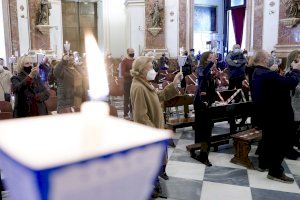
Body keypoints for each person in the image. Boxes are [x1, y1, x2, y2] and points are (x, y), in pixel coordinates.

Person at [130, 56, 183, 198]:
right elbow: (141, 117)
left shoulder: (145, 83)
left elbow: (159, 96)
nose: (153, 70)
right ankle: (150, 188)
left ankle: (154, 184)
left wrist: (174, 84)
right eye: (150, 67)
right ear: (142, 70)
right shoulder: (138, 87)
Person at [251, 50, 300, 183]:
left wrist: (280, 74)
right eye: (268, 57)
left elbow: (277, 85)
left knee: (270, 140)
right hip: (278, 115)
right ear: (263, 59)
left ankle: (265, 164)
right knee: (282, 142)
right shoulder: (267, 74)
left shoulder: (258, 72)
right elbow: (290, 83)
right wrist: (296, 71)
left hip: (267, 114)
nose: (271, 59)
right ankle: (275, 171)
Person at [193, 51, 218, 166]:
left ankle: (204, 153)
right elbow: (203, 74)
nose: (213, 60)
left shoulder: (210, 69)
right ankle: (202, 154)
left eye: (213, 58)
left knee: (207, 129)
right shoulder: (200, 68)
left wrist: (215, 78)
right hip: (201, 103)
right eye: (210, 58)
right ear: (205, 60)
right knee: (203, 128)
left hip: (209, 102)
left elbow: (211, 86)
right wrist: (210, 65)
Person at [121, 48, 135, 118]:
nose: (133, 53)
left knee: (133, 98)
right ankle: (125, 114)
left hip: (134, 82)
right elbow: (123, 73)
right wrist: (131, 74)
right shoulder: (124, 61)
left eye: (133, 51)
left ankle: (132, 113)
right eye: (131, 52)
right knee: (127, 98)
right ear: (128, 52)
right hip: (127, 82)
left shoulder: (135, 60)